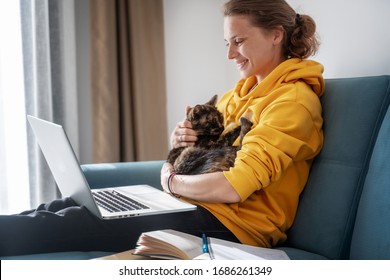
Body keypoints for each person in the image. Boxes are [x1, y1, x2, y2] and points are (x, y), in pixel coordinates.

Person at [0, 0, 324, 257]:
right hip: (198, 207)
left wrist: (171, 183)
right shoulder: (239, 93)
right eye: (227, 42)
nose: (229, 54)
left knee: (72, 222)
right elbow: (208, 155)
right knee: (61, 207)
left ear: (276, 34)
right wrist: (180, 143)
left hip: (234, 226)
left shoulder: (293, 102)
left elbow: (233, 187)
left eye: (239, 41)